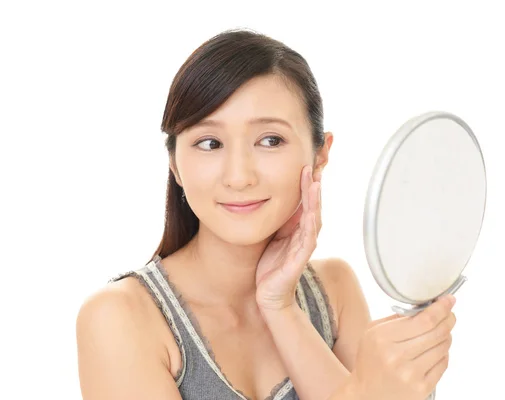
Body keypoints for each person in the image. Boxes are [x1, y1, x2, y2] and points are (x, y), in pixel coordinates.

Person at [76, 28, 457, 400]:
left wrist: (281, 307)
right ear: (174, 163)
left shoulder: (334, 291)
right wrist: (366, 393)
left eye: (270, 140)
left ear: (320, 154)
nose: (239, 177)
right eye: (209, 143)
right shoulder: (120, 318)